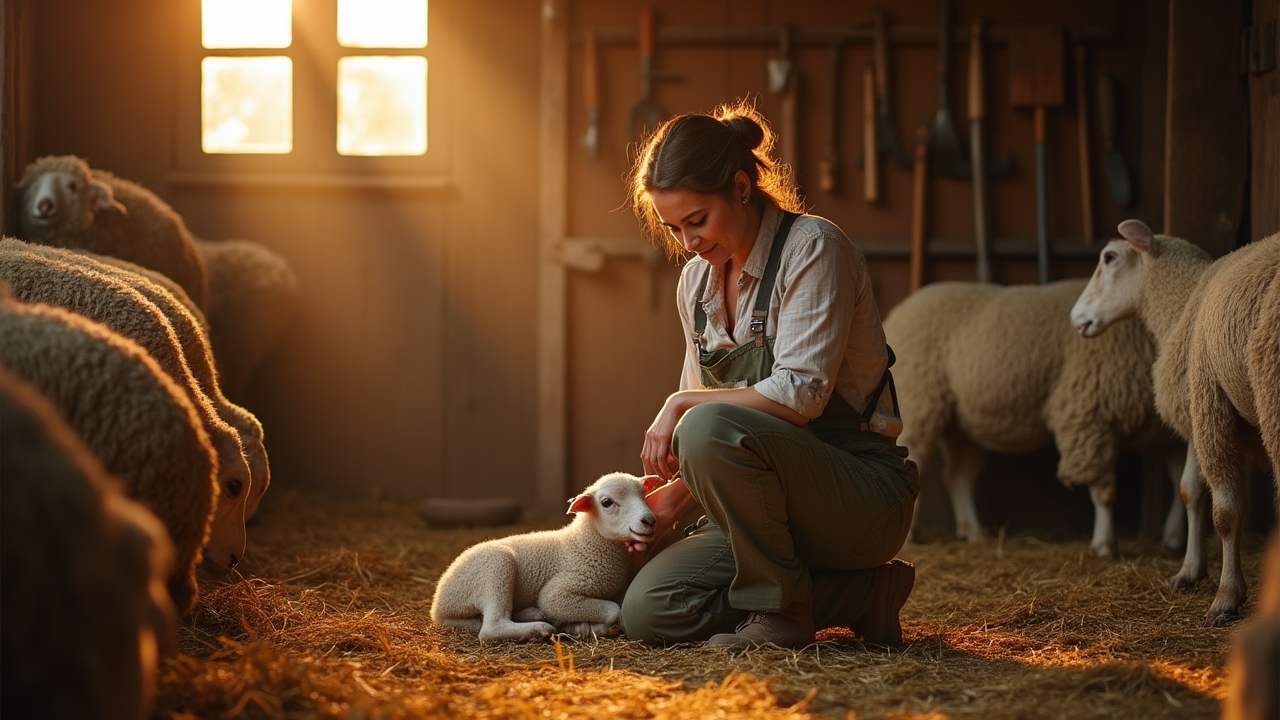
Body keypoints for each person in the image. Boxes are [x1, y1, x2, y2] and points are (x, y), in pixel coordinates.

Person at [617, 101, 920, 650]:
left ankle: (780, 616)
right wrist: (672, 506)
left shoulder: (813, 248)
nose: (688, 242)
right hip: (762, 508)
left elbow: (799, 397)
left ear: (739, 187)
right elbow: (716, 438)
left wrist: (678, 403)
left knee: (702, 424)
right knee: (650, 611)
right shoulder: (696, 284)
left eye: (697, 221)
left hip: (858, 493)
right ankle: (865, 595)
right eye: (673, 227)